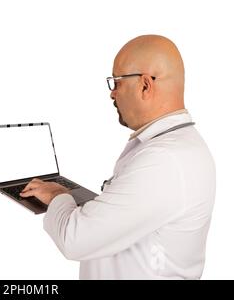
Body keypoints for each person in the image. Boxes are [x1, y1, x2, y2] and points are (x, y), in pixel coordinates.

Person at [20, 35, 216, 279]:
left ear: (145, 85)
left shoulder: (164, 159)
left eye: (117, 82)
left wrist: (59, 195)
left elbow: (75, 240)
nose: (113, 94)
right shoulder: (176, 146)